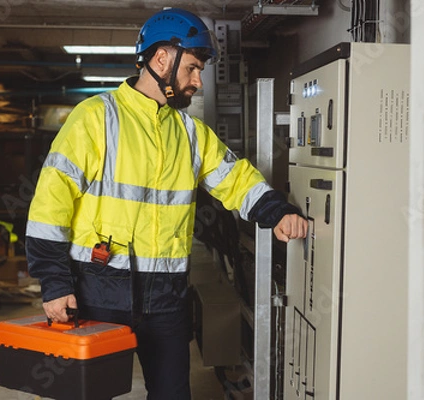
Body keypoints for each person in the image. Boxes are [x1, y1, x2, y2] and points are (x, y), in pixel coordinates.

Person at [25, 7, 307, 399]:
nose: (197, 81)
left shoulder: (191, 134)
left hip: (167, 301)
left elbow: (237, 180)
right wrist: (55, 283)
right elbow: (49, 208)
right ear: (161, 59)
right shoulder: (94, 118)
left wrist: (277, 211)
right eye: (192, 68)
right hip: (97, 294)